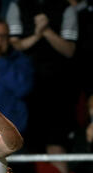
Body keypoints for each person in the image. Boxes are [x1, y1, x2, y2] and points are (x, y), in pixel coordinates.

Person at [6, 0, 78, 153]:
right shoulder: (18, 5)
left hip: (58, 84)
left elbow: (69, 50)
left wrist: (47, 31)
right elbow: (14, 45)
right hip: (25, 85)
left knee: (56, 140)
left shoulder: (65, 8)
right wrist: (38, 34)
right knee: (28, 142)